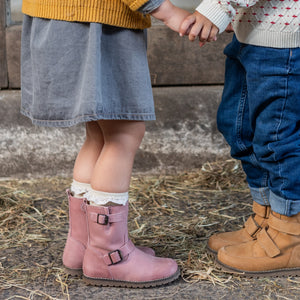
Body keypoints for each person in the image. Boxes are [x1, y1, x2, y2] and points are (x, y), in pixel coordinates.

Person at [21, 0, 191, 288]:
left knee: (99, 131)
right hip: (97, 21)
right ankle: (109, 255)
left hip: (61, 16)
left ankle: (83, 244)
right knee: (123, 132)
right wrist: (165, 9)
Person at [180, 0, 300, 277]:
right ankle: (267, 217)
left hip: (284, 40)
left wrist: (220, 7)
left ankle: (290, 233)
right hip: (252, 32)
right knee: (239, 126)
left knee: (277, 139)